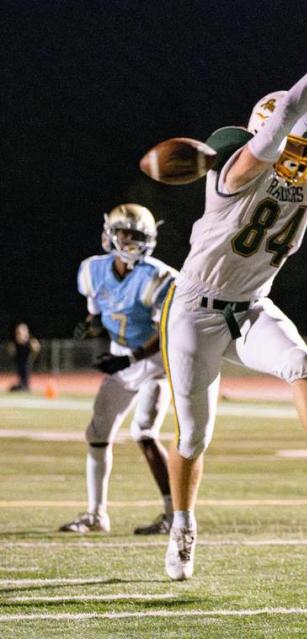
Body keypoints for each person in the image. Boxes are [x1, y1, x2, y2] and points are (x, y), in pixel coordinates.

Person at [149, 20, 307, 580]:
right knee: (193, 435)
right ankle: (183, 524)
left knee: (302, 363)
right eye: (293, 149)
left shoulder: (306, 182)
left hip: (252, 306)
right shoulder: (236, 173)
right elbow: (277, 128)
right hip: (195, 311)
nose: (301, 162)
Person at [60, 204, 177, 535]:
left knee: (144, 432)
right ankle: (97, 515)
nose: (129, 242)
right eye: (124, 234)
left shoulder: (158, 276)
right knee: (97, 434)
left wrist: (129, 358)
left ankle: (173, 514)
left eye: (137, 236)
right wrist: (91, 327)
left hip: (155, 363)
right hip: (123, 359)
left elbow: (167, 332)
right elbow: (97, 312)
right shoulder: (92, 271)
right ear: (109, 236)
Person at [7, 323, 40, 392]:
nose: (19, 334)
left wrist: (35, 346)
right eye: (18, 332)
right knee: (20, 378)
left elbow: (36, 348)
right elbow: (11, 351)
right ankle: (21, 386)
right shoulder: (15, 342)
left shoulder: (30, 341)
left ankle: (24, 386)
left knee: (25, 378)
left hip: (26, 363)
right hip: (19, 362)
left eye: (21, 332)